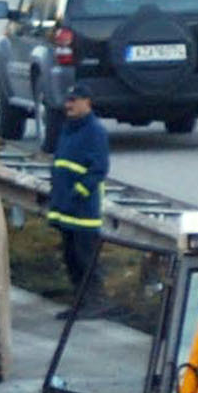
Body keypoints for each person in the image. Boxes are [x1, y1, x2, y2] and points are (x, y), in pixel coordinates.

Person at [49, 83, 109, 317]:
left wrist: (78, 193)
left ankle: (95, 302)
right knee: (71, 259)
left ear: (87, 102)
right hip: (65, 210)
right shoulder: (67, 128)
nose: (69, 105)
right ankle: (80, 303)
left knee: (86, 260)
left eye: (74, 100)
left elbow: (99, 169)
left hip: (84, 213)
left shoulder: (95, 131)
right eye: (68, 100)